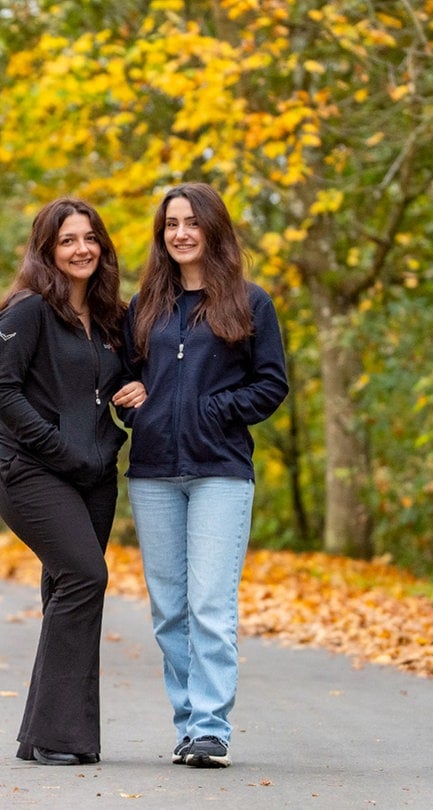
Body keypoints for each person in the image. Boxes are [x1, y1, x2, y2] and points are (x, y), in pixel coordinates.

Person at [121, 183, 288, 769]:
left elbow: (272, 384)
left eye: (192, 223)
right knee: (170, 609)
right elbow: (125, 379)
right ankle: (188, 724)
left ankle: (212, 727)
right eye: (171, 224)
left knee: (211, 605)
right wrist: (132, 403)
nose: (181, 233)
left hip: (220, 472)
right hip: (153, 474)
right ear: (162, 235)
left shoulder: (250, 303)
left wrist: (215, 409)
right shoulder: (144, 306)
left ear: (213, 230)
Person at [0, 197, 146, 766]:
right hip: (29, 470)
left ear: (102, 246)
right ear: (48, 250)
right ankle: (57, 736)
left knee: (65, 590)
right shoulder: (27, 313)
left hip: (95, 475)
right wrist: (58, 446)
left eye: (89, 238)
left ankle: (43, 736)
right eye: (67, 240)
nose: (81, 249)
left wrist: (137, 394)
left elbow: (117, 387)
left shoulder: (109, 319)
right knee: (84, 575)